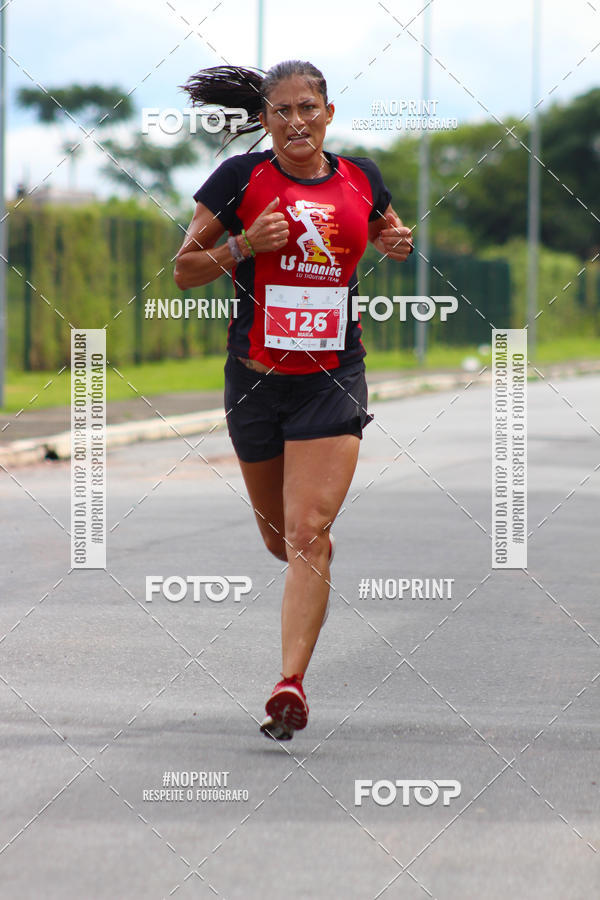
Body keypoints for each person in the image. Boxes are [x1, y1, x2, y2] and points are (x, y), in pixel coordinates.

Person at [174, 61, 413, 741]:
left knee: (310, 530)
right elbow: (184, 269)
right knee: (282, 541)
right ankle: (303, 591)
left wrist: (396, 242)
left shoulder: (359, 176)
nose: (297, 121)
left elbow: (390, 230)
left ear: (329, 113)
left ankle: (289, 685)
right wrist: (246, 244)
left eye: (308, 107)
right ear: (265, 119)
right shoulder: (239, 182)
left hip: (332, 376)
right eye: (281, 111)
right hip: (254, 380)